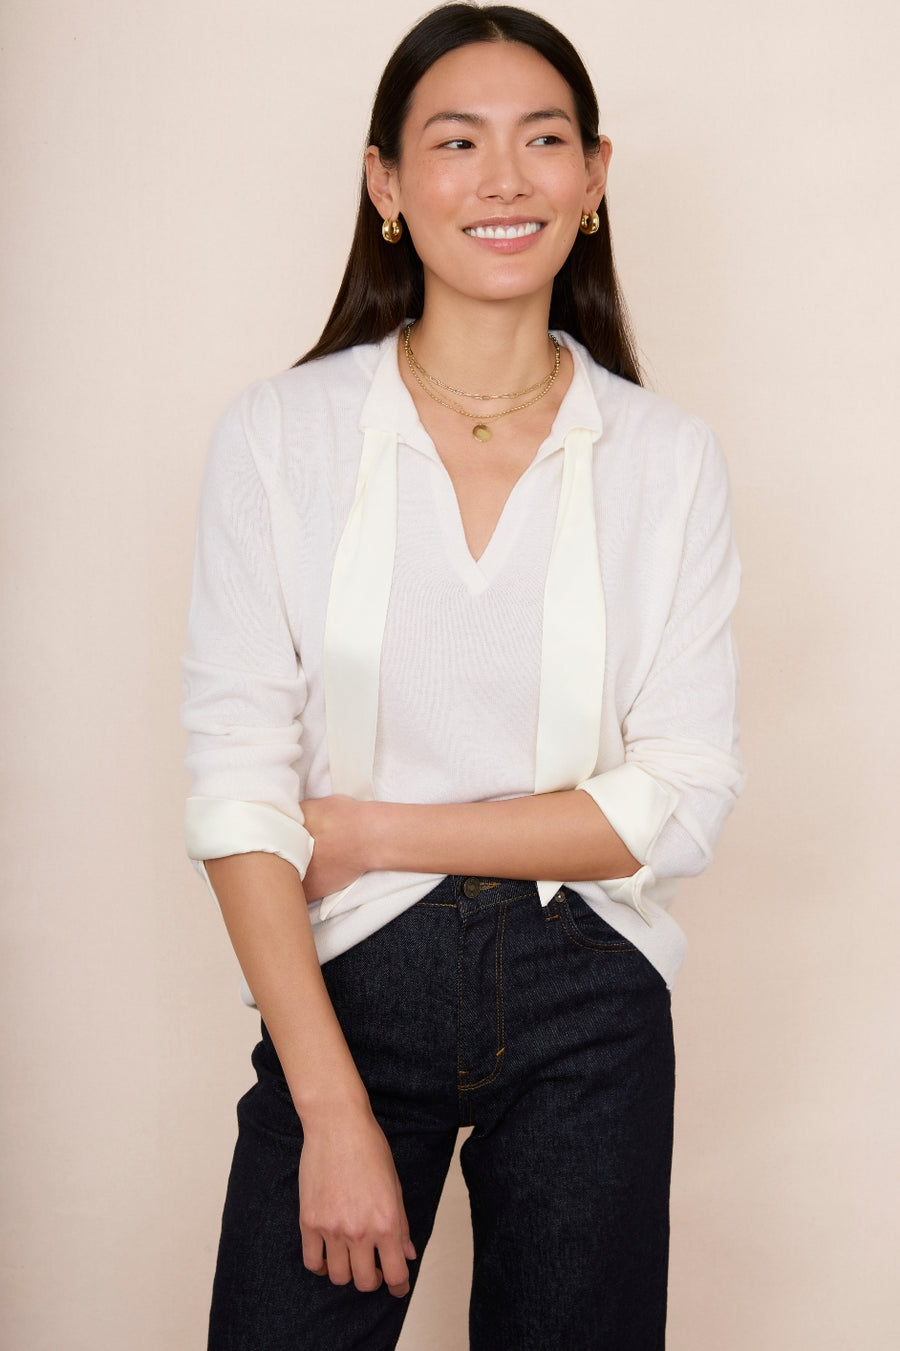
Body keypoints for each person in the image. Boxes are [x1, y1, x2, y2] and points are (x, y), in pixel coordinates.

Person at [181, 4, 744, 1347]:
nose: (504, 179)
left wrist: (376, 830)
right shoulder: (280, 435)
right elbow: (237, 789)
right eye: (455, 142)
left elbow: (677, 801)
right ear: (386, 182)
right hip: (346, 981)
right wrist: (329, 1112)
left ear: (593, 177)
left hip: (589, 987)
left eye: (542, 141)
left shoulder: (666, 458)